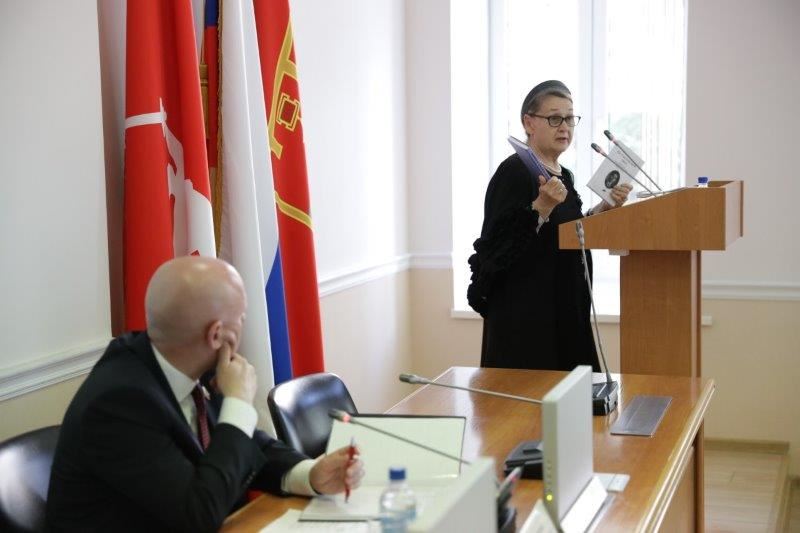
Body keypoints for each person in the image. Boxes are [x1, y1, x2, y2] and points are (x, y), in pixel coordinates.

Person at [46, 257, 364, 532]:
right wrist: (238, 403)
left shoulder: (183, 361)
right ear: (216, 335)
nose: (243, 326)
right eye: (241, 318)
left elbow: (245, 445)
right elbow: (199, 514)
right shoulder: (120, 403)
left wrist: (309, 475)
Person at [467, 80, 632, 371]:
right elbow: (496, 248)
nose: (565, 127)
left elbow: (566, 231)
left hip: (566, 307)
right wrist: (541, 206)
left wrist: (603, 208)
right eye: (555, 118)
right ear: (528, 122)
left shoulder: (563, 174)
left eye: (570, 118)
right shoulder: (514, 171)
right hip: (529, 317)